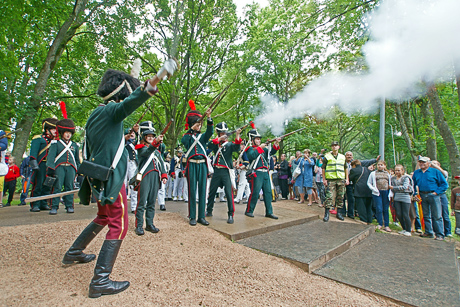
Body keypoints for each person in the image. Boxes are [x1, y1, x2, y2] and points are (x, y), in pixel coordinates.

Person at [62, 59, 177, 298]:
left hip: (97, 178)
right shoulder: (114, 111)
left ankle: (74, 252)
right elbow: (134, 99)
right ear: (120, 96)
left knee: (103, 216)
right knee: (120, 223)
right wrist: (158, 77)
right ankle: (100, 280)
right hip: (110, 179)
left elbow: (107, 142)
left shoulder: (98, 113)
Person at [181, 100, 213, 226]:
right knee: (192, 191)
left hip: (202, 165)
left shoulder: (203, 137)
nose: (199, 126)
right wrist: (191, 130)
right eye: (196, 124)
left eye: (200, 124)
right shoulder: (187, 135)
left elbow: (210, 132)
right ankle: (192, 216)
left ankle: (201, 216)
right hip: (192, 164)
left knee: (203, 191)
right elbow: (184, 141)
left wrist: (209, 117)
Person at [133, 122, 167, 235]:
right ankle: (139, 225)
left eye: (152, 137)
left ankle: (149, 224)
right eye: (149, 137)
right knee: (142, 202)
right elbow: (147, 152)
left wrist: (164, 175)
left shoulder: (157, 151)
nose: (151, 138)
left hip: (155, 177)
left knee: (152, 202)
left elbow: (161, 163)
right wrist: (155, 142)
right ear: (144, 137)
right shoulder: (141, 148)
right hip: (145, 177)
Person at [205, 122, 242, 224]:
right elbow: (209, 145)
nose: (223, 134)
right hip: (216, 171)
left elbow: (237, 147)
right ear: (218, 133)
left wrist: (237, 135)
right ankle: (209, 211)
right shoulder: (216, 143)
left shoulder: (229, 144)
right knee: (212, 192)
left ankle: (231, 214)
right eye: (221, 133)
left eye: (224, 132)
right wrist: (219, 139)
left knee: (229, 194)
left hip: (226, 171)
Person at [244, 128, 280, 219]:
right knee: (255, 193)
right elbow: (252, 156)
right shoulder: (249, 149)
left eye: (259, 139)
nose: (259, 140)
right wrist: (260, 148)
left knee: (268, 193)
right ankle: (249, 210)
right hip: (257, 173)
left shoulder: (263, 149)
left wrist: (276, 143)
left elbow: (271, 152)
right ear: (252, 140)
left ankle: (269, 212)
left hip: (265, 173)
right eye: (257, 139)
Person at [46, 118, 80, 214]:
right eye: (66, 132)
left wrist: (79, 170)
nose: (68, 134)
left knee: (69, 187)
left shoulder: (75, 145)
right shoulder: (55, 143)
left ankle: (69, 206)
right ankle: (54, 207)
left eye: (70, 132)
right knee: (57, 187)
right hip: (59, 167)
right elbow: (51, 158)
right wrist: (51, 168)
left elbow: (77, 160)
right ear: (62, 133)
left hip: (71, 168)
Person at [412, 156, 448, 240]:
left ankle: (439, 234)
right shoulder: (417, 172)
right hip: (422, 195)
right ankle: (428, 232)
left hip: (433, 195)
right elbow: (413, 184)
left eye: (424, 162)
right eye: (420, 162)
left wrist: (436, 192)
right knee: (426, 214)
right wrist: (415, 194)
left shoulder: (435, 172)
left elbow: (444, 184)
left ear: (428, 163)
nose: (422, 164)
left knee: (437, 215)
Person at [29, 118, 58, 212]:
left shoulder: (56, 141)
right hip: (41, 164)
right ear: (47, 129)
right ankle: (35, 204)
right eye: (53, 129)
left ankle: (44, 203)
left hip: (50, 165)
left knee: (48, 185)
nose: (55, 131)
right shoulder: (38, 138)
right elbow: (33, 152)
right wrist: (34, 163)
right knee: (38, 185)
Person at [322, 141, 348, 222]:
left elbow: (345, 168)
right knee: (329, 197)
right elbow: (323, 168)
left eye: (336, 145)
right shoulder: (327, 156)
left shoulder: (342, 157)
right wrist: (324, 179)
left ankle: (339, 213)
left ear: (338, 147)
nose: (334, 147)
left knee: (340, 196)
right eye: (333, 146)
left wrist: (347, 178)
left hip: (340, 179)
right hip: (331, 179)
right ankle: (326, 214)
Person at [367, 160, 392, 232]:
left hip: (386, 192)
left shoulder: (387, 174)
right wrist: (373, 189)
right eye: (378, 165)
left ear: (384, 166)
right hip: (377, 192)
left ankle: (386, 225)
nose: (380, 166)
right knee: (379, 208)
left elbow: (390, 182)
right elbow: (369, 183)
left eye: (381, 165)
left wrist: (390, 192)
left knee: (385, 209)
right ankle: (380, 223)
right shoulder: (373, 173)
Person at [389, 164, 413, 236]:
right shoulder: (393, 178)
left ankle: (408, 230)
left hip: (405, 197)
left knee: (405, 214)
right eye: (396, 170)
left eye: (399, 170)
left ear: (402, 171)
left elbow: (405, 187)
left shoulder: (406, 178)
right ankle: (404, 228)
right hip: (397, 197)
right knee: (399, 214)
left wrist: (394, 188)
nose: (397, 172)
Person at [431, 160, 452, 237]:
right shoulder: (430, 173)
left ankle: (448, 231)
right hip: (433, 194)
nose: (433, 165)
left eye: (435, 164)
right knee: (434, 214)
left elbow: (443, 173)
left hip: (442, 194)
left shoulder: (444, 172)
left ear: (439, 165)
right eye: (432, 164)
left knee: (445, 214)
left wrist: (433, 164)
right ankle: (436, 230)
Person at [124, 126, 139, 213]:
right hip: (125, 163)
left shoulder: (136, 143)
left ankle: (134, 207)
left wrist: (136, 131)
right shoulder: (124, 142)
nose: (132, 135)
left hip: (133, 164)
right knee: (123, 184)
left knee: (134, 184)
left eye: (133, 133)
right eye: (131, 133)